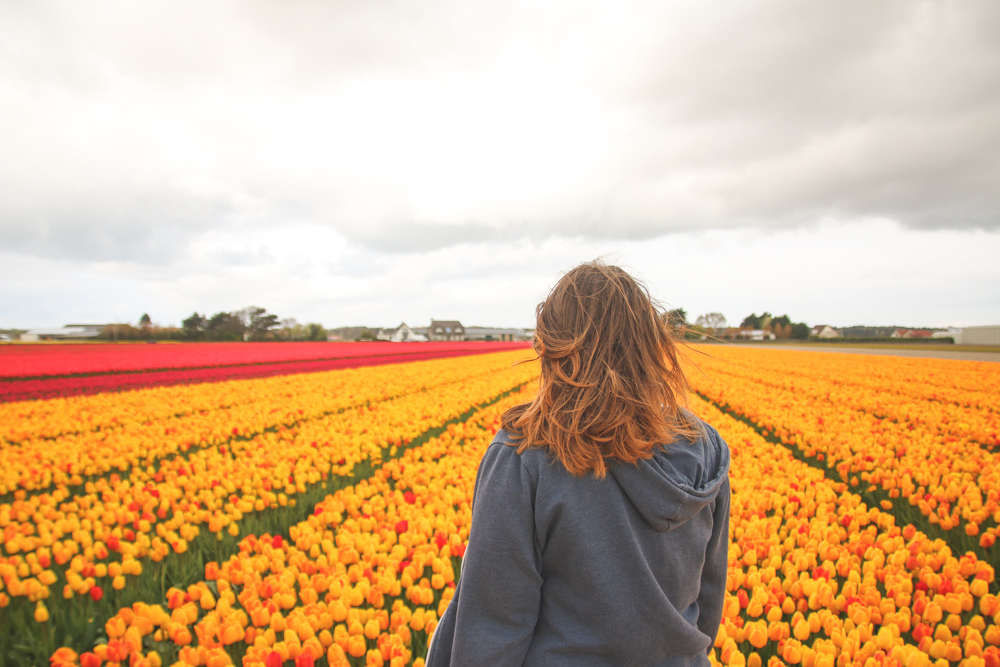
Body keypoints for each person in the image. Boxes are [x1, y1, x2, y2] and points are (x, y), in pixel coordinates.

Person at [425, 260, 731, 667]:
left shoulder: (525, 456)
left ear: (552, 348)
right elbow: (708, 601)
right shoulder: (705, 449)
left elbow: (494, 626)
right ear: (650, 346)